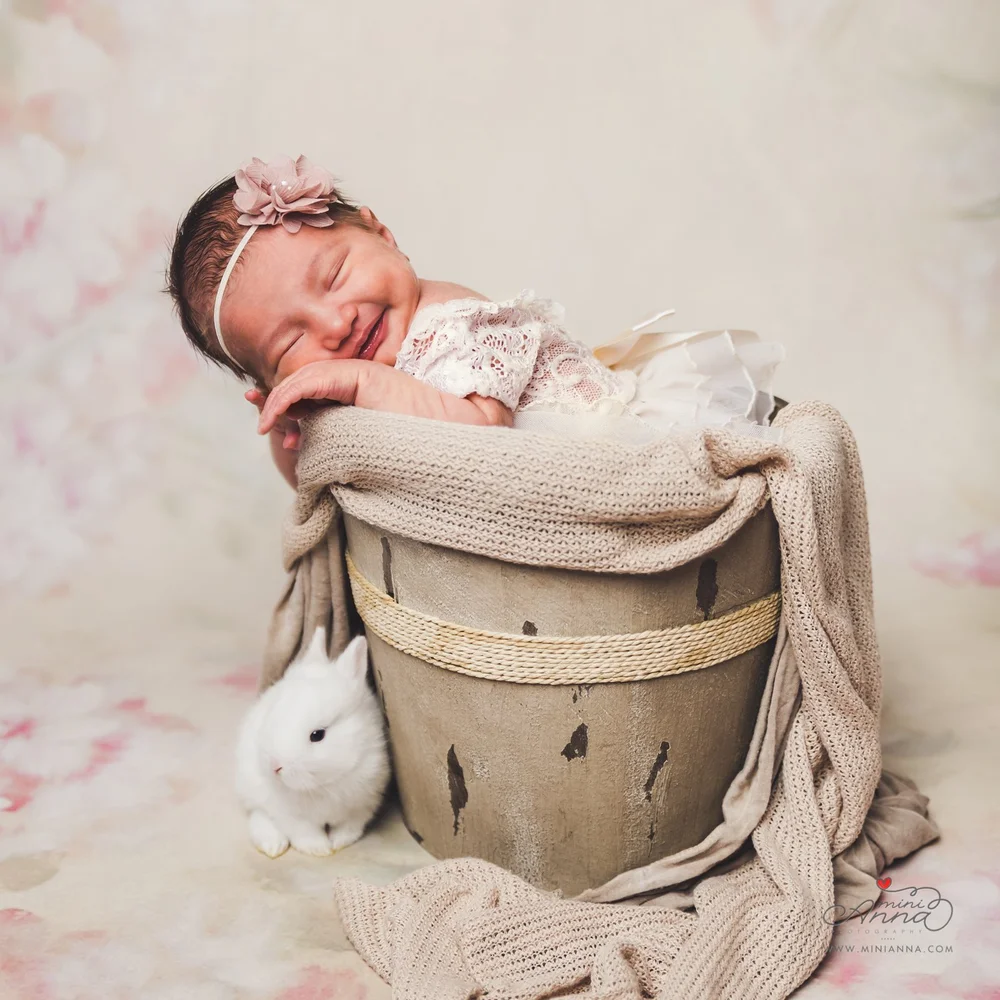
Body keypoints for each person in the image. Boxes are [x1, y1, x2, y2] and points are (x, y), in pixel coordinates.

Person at [167, 155, 784, 489]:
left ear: (384, 234)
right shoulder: (358, 367)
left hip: (616, 452)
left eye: (333, 277)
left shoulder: (452, 322)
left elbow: (478, 433)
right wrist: (290, 432)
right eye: (292, 341)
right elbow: (311, 479)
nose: (334, 322)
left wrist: (356, 386)